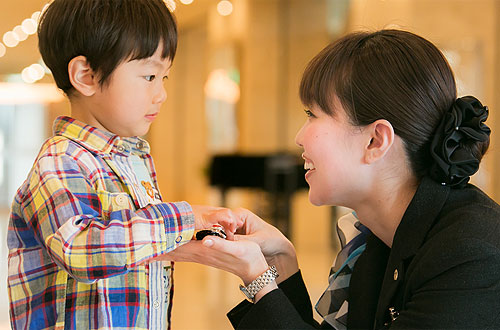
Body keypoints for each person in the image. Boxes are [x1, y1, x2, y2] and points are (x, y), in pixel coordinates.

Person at [164, 29, 500, 329]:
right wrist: (281, 263)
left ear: (375, 140)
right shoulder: (379, 242)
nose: (299, 137)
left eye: (313, 115)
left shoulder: (472, 256)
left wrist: (258, 280)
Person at [7, 1, 239, 329]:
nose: (161, 94)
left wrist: (190, 241)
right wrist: (185, 216)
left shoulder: (130, 161)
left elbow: (131, 243)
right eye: (149, 76)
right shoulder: (60, 163)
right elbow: (82, 248)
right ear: (86, 76)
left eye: (164, 77)